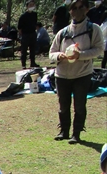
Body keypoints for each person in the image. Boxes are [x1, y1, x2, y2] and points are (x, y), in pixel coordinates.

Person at [49, 0, 104, 144]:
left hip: (82, 74)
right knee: (63, 106)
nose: (77, 11)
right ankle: (64, 131)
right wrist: (59, 56)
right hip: (62, 75)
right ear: (70, 10)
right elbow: (52, 53)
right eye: (74, 8)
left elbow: (98, 49)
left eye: (81, 7)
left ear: (87, 9)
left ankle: (76, 133)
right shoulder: (63, 32)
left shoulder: (94, 29)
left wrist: (80, 55)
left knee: (79, 105)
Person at [18, 0, 40, 68]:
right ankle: (23, 64)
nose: (32, 6)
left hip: (33, 33)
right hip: (25, 35)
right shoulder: (23, 16)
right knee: (24, 50)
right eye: (30, 5)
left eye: (33, 5)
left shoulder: (34, 14)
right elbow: (19, 27)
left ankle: (32, 63)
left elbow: (35, 24)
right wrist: (22, 35)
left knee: (32, 50)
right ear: (27, 6)